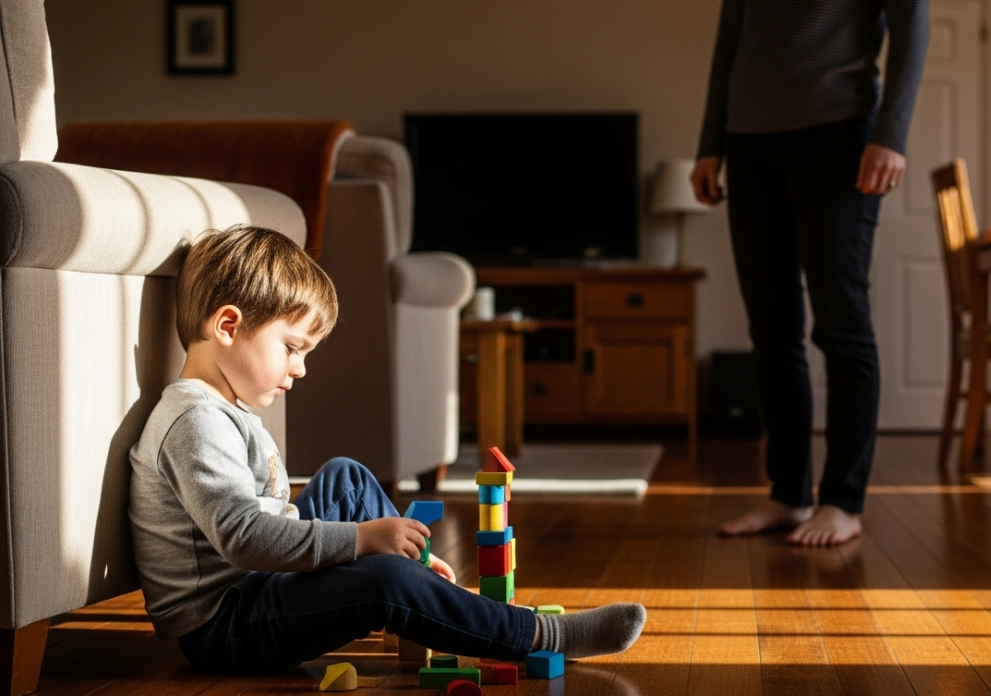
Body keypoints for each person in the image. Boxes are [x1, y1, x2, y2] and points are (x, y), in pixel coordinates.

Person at [128, 226, 645, 674]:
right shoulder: (195, 420)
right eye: (291, 348)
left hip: (257, 585)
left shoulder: (221, 408)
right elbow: (243, 538)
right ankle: (535, 636)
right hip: (227, 626)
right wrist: (362, 540)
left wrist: (382, 539)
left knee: (345, 477)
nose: (300, 368)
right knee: (383, 579)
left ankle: (419, 580)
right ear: (227, 326)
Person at [692, 0, 929, 546]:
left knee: (840, 324)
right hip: (748, 141)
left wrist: (891, 134)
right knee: (771, 330)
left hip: (838, 133)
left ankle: (843, 501)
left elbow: (912, 26)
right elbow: (731, 38)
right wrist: (710, 145)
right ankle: (789, 494)